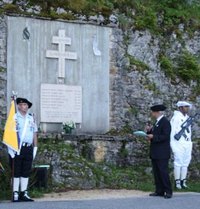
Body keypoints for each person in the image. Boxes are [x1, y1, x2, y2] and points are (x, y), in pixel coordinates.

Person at [8, 97, 38, 202]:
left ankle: (23, 192)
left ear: (27, 107)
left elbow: (34, 133)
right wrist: (10, 149)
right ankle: (15, 192)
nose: (23, 107)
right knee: (16, 170)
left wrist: (35, 147)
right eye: (21, 105)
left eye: (25, 105)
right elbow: (10, 134)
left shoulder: (31, 118)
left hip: (28, 147)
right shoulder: (14, 118)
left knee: (26, 170)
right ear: (18, 106)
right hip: (17, 148)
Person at [146, 104, 172, 199]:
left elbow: (165, 136)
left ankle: (168, 191)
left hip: (162, 152)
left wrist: (153, 137)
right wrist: (149, 132)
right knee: (157, 172)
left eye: (153, 112)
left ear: (157, 112)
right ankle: (159, 190)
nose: (152, 114)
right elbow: (155, 135)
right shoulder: (157, 122)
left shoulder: (165, 122)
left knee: (163, 172)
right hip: (155, 152)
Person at [170, 101, 192, 189]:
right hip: (178, 143)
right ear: (180, 108)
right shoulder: (176, 118)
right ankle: (177, 181)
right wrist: (173, 145)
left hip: (187, 142)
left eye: (188, 107)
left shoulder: (187, 118)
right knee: (178, 162)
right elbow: (172, 133)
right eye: (185, 107)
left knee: (185, 162)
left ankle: (183, 181)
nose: (187, 108)